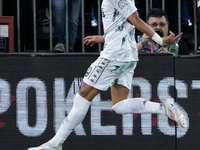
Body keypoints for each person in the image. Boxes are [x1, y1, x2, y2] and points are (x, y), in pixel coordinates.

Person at [28, 0, 187, 150]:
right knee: (118, 105)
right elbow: (123, 25)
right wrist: (103, 38)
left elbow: (136, 19)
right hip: (127, 55)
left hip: (115, 55)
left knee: (83, 95)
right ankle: (163, 108)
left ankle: (55, 144)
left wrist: (160, 40)